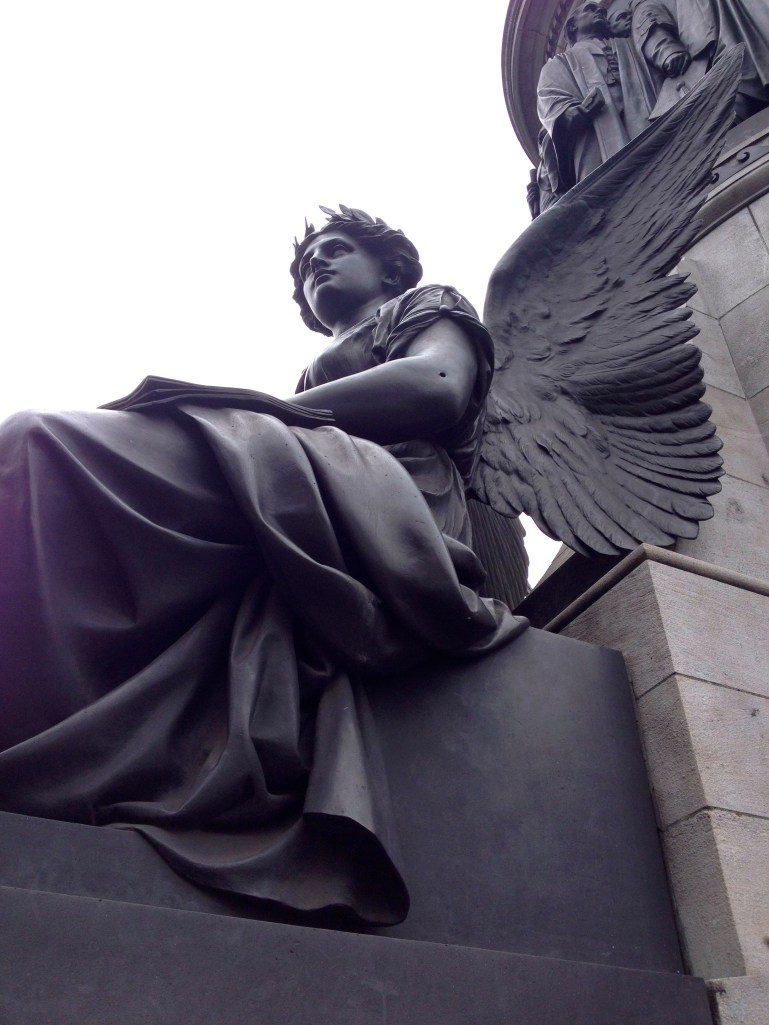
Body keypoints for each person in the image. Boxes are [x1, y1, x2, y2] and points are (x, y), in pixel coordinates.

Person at [0, 207, 525, 926]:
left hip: (386, 498)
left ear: (392, 267)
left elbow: (436, 385)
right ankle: (60, 729)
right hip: (307, 480)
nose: (318, 268)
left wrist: (270, 413)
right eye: (308, 266)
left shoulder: (423, 306)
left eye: (335, 252)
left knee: (38, 443)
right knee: (36, 462)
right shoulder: (308, 383)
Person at [537, 0, 657, 189]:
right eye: (590, 9)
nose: (599, 10)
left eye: (600, 8)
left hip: (644, 123)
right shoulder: (559, 63)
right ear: (572, 25)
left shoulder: (624, 43)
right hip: (596, 138)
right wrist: (577, 113)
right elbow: (550, 103)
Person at [631, 0, 769, 121]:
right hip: (710, 40)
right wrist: (666, 51)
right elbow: (647, 20)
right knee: (734, 62)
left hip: (738, 25)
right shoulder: (643, 5)